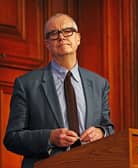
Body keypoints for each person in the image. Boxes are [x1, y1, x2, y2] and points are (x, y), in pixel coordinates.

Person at [3, 13, 114, 168]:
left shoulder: (99, 84)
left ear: (78, 39)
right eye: (54, 34)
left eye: (68, 31)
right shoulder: (26, 84)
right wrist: (50, 138)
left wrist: (101, 132)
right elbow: (12, 138)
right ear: (47, 44)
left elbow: (108, 128)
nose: (61, 37)